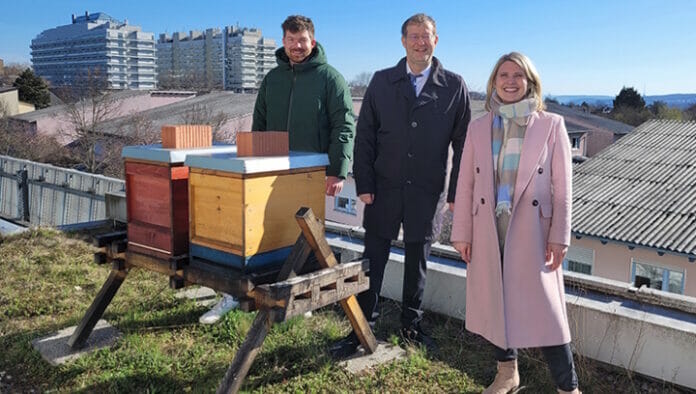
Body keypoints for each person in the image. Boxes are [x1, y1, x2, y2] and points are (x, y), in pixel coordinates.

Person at [330, 13, 471, 357]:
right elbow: (364, 137)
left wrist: (455, 194)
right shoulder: (382, 82)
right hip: (383, 188)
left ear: (436, 40)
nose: (420, 42)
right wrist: (363, 182)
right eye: (413, 36)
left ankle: (412, 326)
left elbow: (465, 144)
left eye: (426, 36)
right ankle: (363, 328)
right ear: (403, 41)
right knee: (373, 259)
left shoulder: (454, 86)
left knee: (417, 261)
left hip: (427, 190)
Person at [201, 15, 355, 325]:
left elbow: (344, 126)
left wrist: (338, 170)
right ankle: (236, 294)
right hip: (267, 173)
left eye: (302, 40)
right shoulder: (272, 79)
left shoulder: (330, 78)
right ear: (283, 41)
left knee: (306, 238)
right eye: (291, 40)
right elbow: (259, 123)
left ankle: (303, 296)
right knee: (259, 232)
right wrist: (250, 165)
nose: (297, 46)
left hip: (309, 173)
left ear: (312, 40)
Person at [450, 52, 580, 393]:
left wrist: (560, 237)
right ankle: (507, 373)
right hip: (488, 229)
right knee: (496, 303)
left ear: (530, 82)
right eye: (503, 75)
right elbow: (464, 183)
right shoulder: (478, 127)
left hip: (534, 231)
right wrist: (462, 232)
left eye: (518, 75)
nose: (510, 81)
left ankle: (569, 388)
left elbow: (563, 187)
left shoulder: (551, 125)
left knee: (549, 314)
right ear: (494, 81)